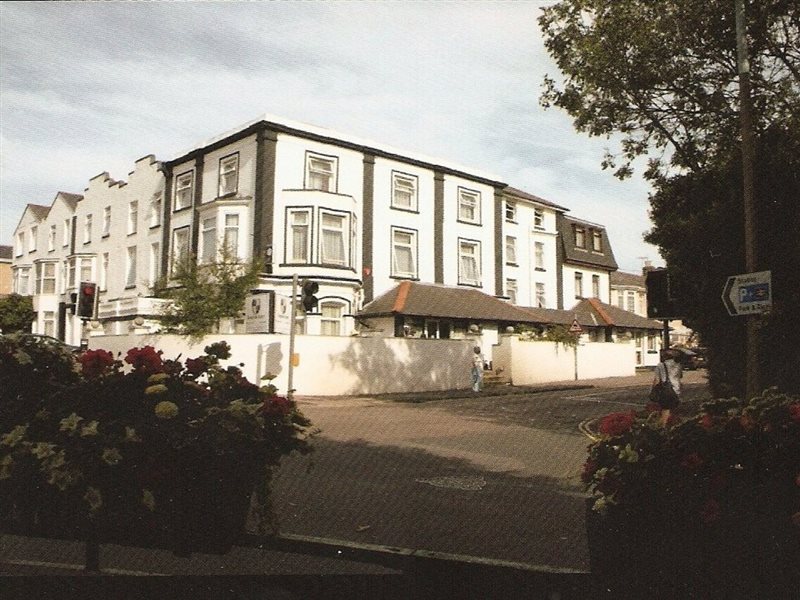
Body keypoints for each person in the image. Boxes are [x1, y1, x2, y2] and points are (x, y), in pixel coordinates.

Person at [651, 348, 682, 425]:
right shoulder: (678, 365)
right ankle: (673, 426)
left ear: (664, 357)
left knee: (665, 410)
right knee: (673, 410)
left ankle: (662, 428)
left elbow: (657, 380)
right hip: (676, 390)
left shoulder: (660, 366)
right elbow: (680, 376)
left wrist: (653, 390)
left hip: (665, 391)